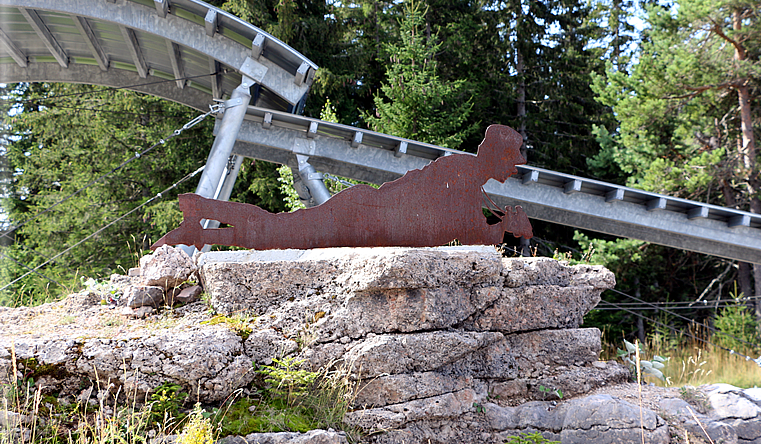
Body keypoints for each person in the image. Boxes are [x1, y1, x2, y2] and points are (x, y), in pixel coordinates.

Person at [152, 124, 533, 251]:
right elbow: (470, 234)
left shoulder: (469, 179)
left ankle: (201, 224)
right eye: (514, 159)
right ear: (496, 155)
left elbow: (463, 231)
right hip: (361, 219)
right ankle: (201, 213)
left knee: (278, 232)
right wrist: (504, 230)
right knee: (277, 232)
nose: (517, 168)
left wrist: (501, 229)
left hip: (363, 216)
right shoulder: (463, 176)